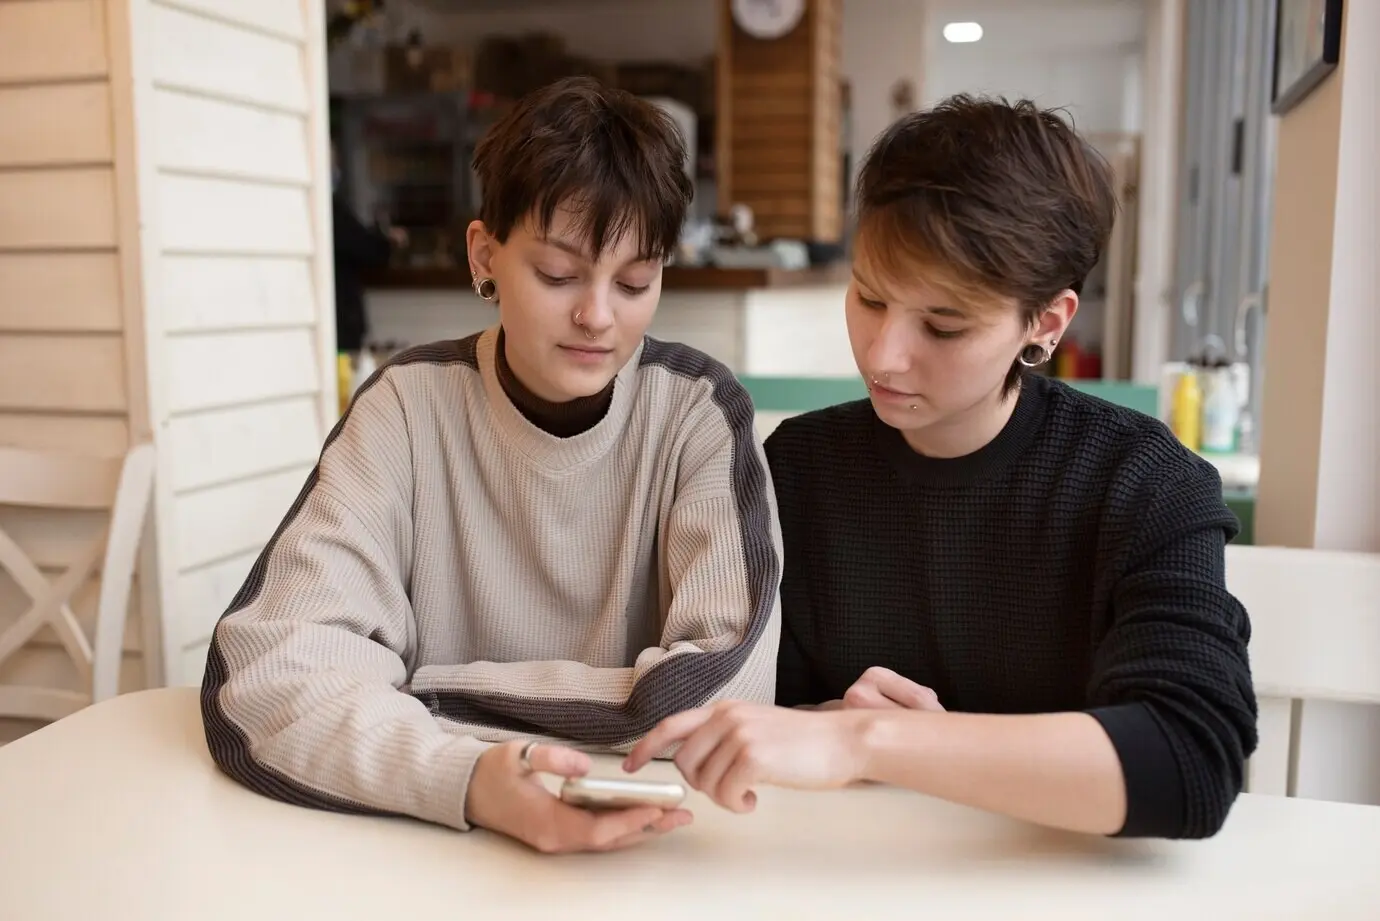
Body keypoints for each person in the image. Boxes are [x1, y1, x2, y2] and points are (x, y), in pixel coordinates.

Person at [622, 95, 1257, 841]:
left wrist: (878, 743)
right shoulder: (799, 468)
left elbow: (1187, 761)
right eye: (869, 296)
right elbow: (753, 707)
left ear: (1045, 323)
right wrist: (828, 729)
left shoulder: (1142, 481)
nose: (884, 354)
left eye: (943, 325)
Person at [201, 77, 782, 855]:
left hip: (655, 857)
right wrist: (469, 779)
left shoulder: (698, 412)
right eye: (558, 274)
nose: (599, 316)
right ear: (485, 256)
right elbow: (265, 670)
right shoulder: (406, 409)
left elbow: (722, 692)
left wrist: (415, 692)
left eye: (637, 281)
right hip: (415, 851)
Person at [330, 141, 406, 352]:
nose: (335, 170)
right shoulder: (330, 209)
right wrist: (387, 241)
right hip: (340, 319)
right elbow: (368, 249)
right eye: (331, 163)